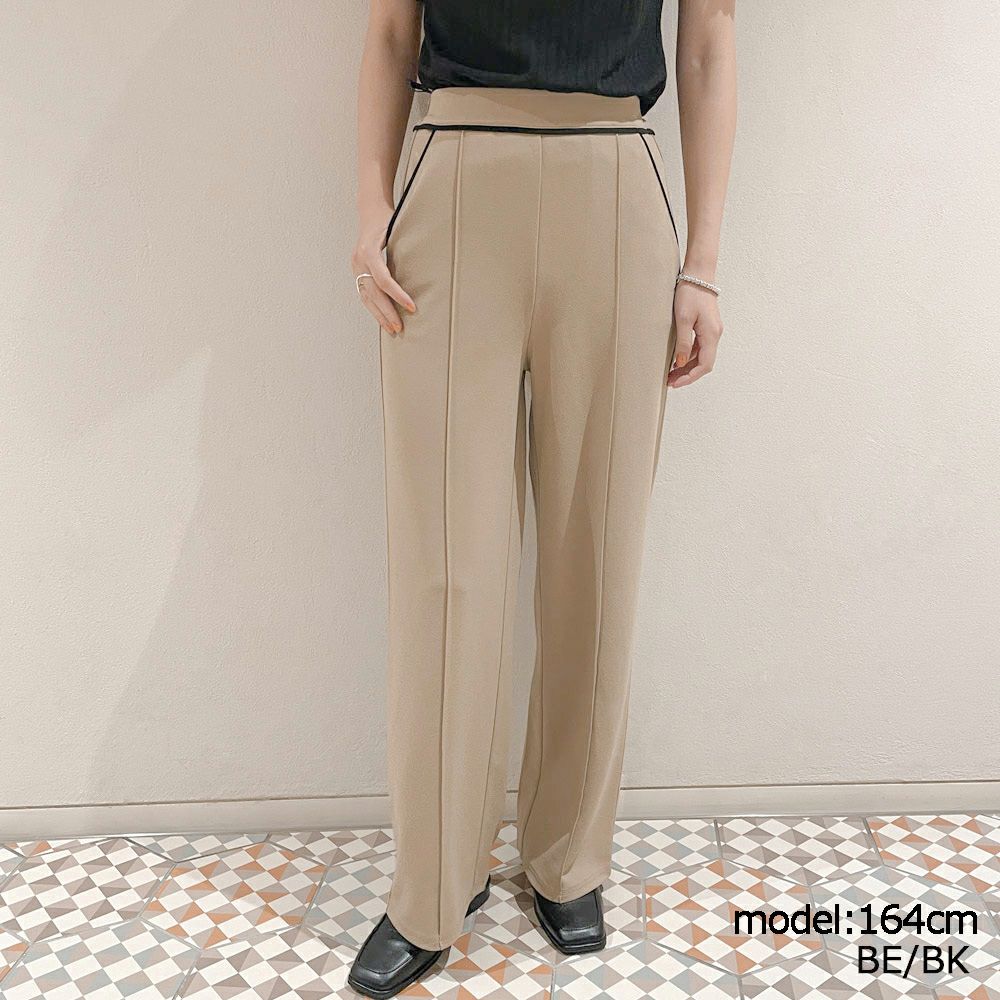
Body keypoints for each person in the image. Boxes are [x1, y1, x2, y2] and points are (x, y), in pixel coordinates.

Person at [349, 1, 736, 995]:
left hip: (614, 176)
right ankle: (433, 883)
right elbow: (392, 32)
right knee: (446, 570)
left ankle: (568, 858)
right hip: (452, 178)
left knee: (594, 555)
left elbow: (706, 40)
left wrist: (703, 265)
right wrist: (369, 212)